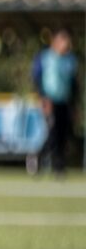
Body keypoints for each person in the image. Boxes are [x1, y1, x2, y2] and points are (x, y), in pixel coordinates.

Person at [29, 29, 78, 176]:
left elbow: (74, 83)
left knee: (64, 133)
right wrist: (43, 98)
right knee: (53, 132)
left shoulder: (70, 60)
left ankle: (59, 166)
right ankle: (37, 157)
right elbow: (36, 78)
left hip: (65, 101)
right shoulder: (45, 57)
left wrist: (74, 105)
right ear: (56, 42)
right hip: (50, 101)